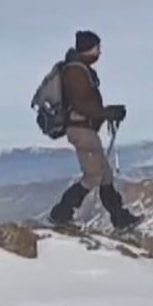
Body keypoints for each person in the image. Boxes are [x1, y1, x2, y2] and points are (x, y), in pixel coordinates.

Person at [47, 31, 141, 230]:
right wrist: (107, 113)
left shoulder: (79, 70)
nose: (99, 52)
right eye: (97, 48)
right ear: (88, 49)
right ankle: (61, 213)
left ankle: (120, 218)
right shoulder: (75, 72)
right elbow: (81, 104)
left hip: (83, 128)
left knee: (105, 175)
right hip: (82, 129)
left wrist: (107, 113)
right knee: (94, 176)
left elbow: (84, 104)